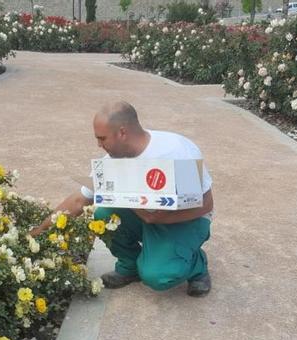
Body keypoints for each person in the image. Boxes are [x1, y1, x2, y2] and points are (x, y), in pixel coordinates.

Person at [34, 101, 213, 296]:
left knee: (158, 276)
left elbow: (204, 205)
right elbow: (79, 201)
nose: (99, 145)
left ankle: (197, 264)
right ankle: (130, 266)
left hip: (186, 221)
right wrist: (37, 233)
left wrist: (159, 218)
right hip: (148, 216)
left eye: (102, 139)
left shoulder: (176, 152)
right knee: (102, 214)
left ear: (122, 132)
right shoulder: (113, 162)